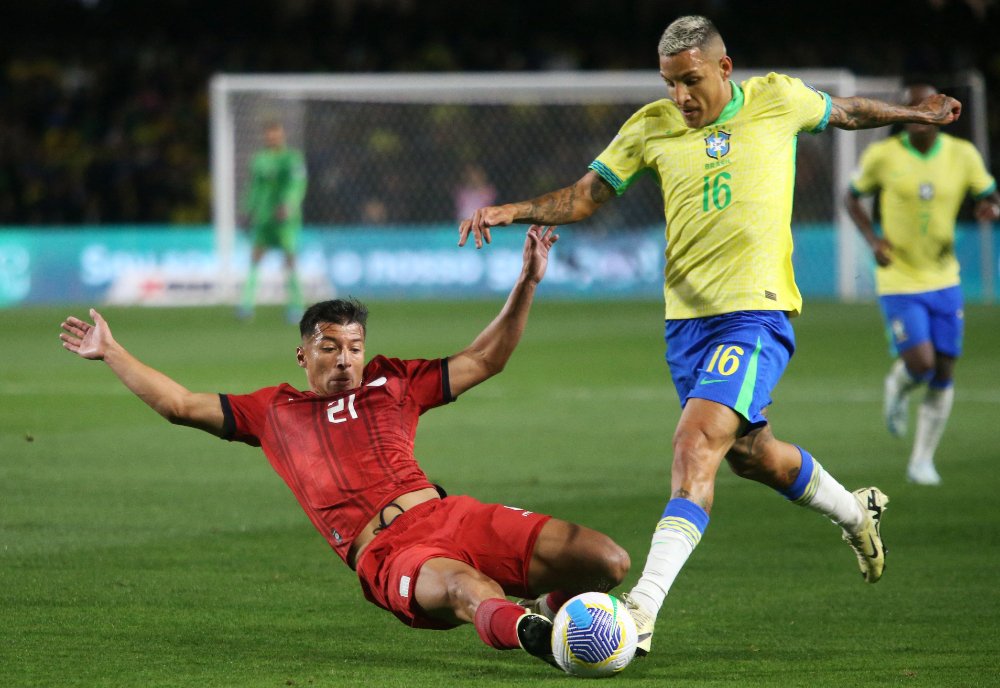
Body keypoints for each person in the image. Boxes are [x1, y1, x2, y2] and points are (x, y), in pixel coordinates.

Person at [458, 15, 964, 657]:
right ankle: (855, 511)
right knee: (752, 455)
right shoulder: (651, 125)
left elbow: (846, 112)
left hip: (756, 314)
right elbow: (587, 196)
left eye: (690, 81)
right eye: (670, 83)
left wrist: (912, 112)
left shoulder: (778, 98)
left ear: (724, 68)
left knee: (695, 444)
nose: (680, 97)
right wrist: (514, 208)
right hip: (686, 326)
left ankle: (639, 610)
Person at [60, 226, 629, 668]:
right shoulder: (272, 411)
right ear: (303, 356)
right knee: (464, 588)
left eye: (354, 346)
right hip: (387, 552)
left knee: (606, 561)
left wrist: (527, 281)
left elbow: (486, 358)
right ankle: (539, 637)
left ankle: (559, 612)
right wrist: (112, 352)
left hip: (446, 512)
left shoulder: (395, 383)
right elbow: (180, 404)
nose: (344, 358)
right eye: (328, 347)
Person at [845, 84, 1000, 486]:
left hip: (944, 277)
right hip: (899, 276)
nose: (916, 111)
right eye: (909, 104)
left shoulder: (962, 155)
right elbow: (851, 197)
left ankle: (921, 461)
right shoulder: (883, 154)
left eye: (924, 104)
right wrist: (873, 240)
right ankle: (897, 386)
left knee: (945, 370)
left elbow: (989, 194)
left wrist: (990, 207)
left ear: (939, 109)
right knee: (922, 365)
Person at [239, 121, 309, 324]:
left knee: (289, 258)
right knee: (256, 256)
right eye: (269, 135)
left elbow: (297, 184)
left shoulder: (292, 158)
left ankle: (296, 305)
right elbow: (253, 187)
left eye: (276, 134)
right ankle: (246, 305)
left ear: (282, 135)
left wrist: (288, 203)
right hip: (263, 217)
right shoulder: (259, 159)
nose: (272, 138)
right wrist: (248, 210)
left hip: (285, 218)